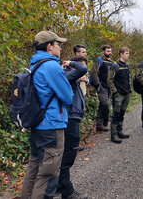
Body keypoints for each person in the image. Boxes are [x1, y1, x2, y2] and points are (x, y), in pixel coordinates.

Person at [21, 31, 74, 199]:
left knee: (34, 169)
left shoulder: (34, 64)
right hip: (51, 126)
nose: (60, 47)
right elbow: (68, 97)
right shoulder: (51, 66)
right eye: (58, 44)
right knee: (48, 174)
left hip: (37, 124)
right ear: (49, 46)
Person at [57, 56, 88, 198]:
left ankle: (59, 185)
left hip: (73, 117)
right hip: (70, 118)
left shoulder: (71, 77)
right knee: (68, 156)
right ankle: (67, 191)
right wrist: (70, 63)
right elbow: (82, 68)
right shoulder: (66, 74)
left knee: (65, 154)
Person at [107, 47, 131, 143]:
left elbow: (129, 78)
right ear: (121, 54)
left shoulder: (127, 66)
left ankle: (120, 132)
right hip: (119, 94)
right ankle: (113, 135)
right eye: (126, 53)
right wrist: (115, 92)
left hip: (127, 93)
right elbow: (109, 80)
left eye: (128, 53)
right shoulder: (115, 65)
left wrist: (130, 90)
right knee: (116, 114)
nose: (128, 55)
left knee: (122, 113)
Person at [90, 45, 114, 131]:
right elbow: (93, 72)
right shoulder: (99, 60)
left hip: (109, 87)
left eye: (110, 51)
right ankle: (105, 123)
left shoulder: (111, 62)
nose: (109, 53)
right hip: (101, 86)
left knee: (102, 105)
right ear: (103, 51)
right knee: (105, 104)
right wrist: (97, 84)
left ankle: (99, 125)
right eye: (108, 51)